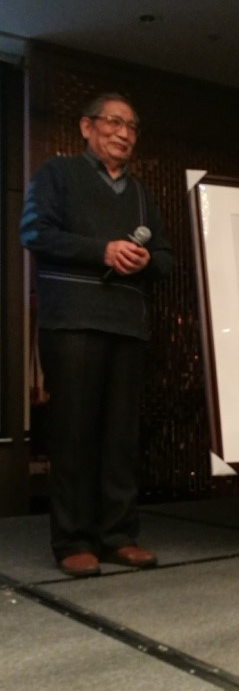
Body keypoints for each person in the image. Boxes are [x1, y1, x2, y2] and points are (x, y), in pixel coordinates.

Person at [20, 93, 174, 576]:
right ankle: (72, 540)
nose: (124, 133)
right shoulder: (57, 173)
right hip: (73, 321)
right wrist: (102, 251)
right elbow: (35, 233)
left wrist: (146, 259)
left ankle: (118, 536)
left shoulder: (142, 194)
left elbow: (167, 258)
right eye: (114, 122)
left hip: (127, 324)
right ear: (86, 127)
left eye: (132, 126)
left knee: (120, 437)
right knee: (74, 433)